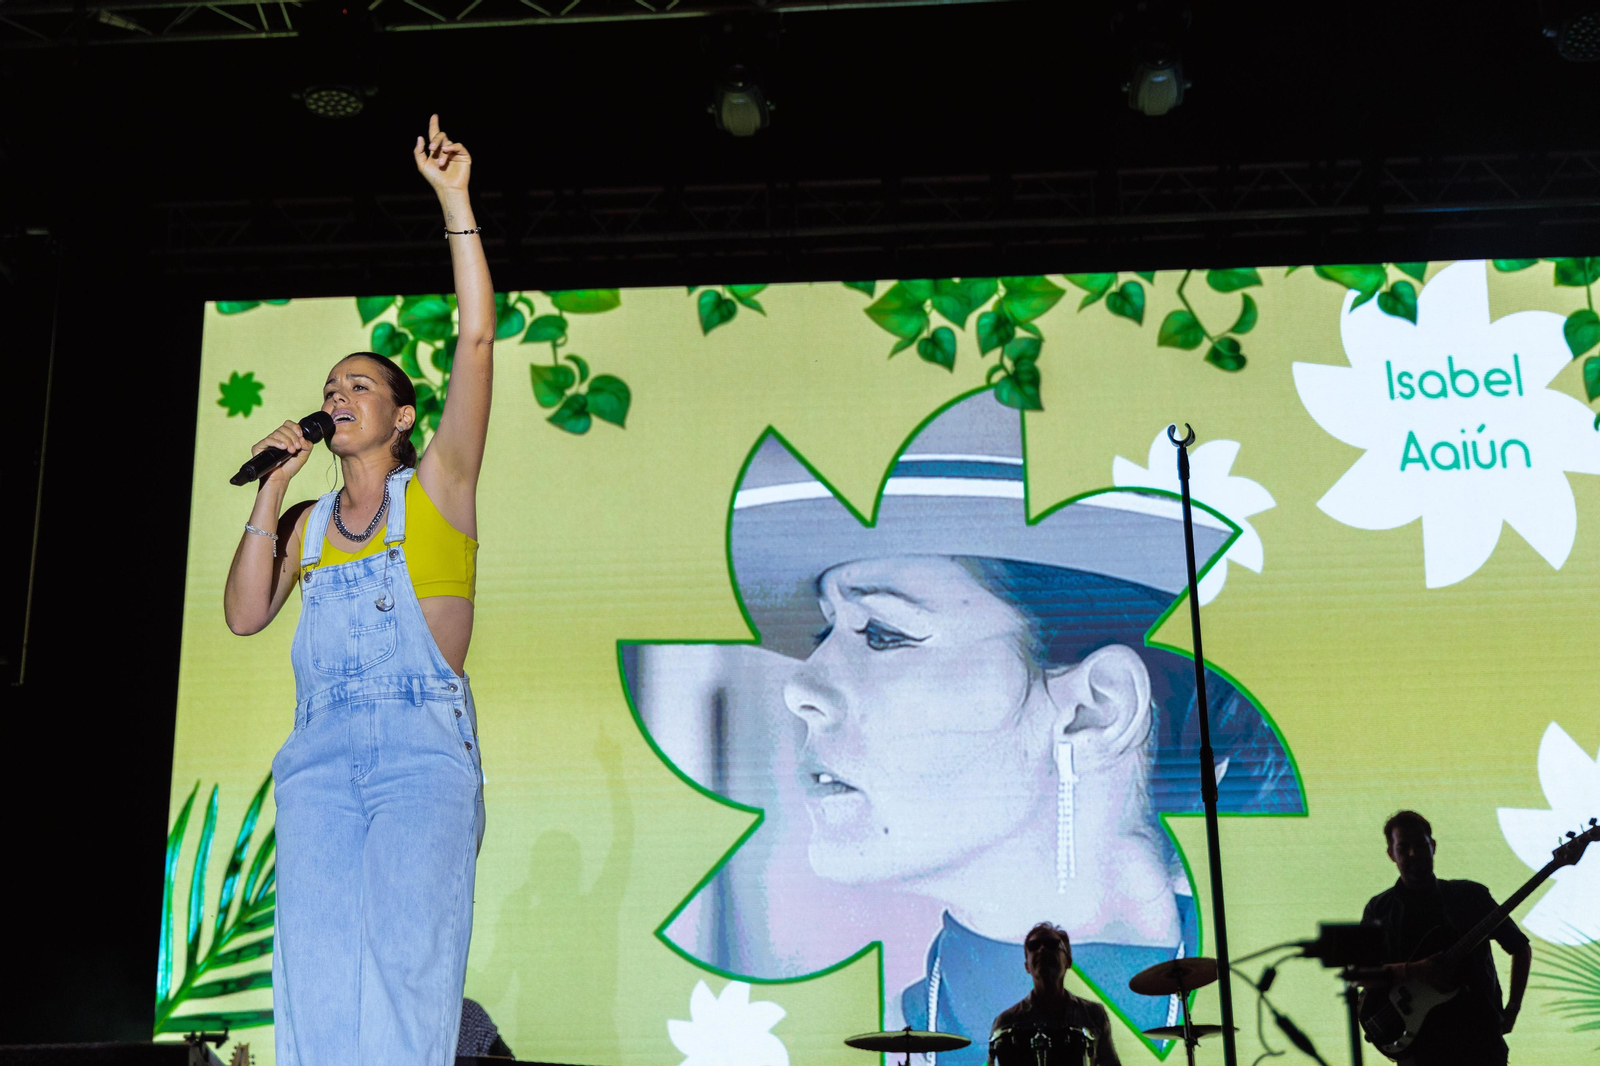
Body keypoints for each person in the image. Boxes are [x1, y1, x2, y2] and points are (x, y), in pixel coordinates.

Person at [627, 389, 1303, 1059]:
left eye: (884, 633)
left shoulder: (1260, 969)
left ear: (1094, 709)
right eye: (821, 631)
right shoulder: (923, 1018)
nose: (801, 686)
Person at [223, 114, 495, 1066]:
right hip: (319, 763)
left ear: (401, 414)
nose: (336, 398)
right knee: (315, 988)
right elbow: (245, 614)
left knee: (402, 981)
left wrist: (454, 202)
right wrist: (273, 482)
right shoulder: (302, 526)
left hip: (420, 756)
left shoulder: (441, 490)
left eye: (358, 388)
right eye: (329, 389)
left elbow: (474, 342)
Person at [1360, 810, 1532, 1066]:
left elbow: (1520, 947)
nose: (1413, 854)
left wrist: (1513, 1007)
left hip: (1480, 1040)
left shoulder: (1470, 896)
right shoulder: (1379, 909)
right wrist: (1415, 970)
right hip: (1419, 1049)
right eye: (1403, 847)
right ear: (1391, 854)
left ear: (1433, 846)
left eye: (1420, 845)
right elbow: (1362, 973)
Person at [989, 922, 1121, 1066]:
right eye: (1034, 946)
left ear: (1068, 961)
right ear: (1027, 966)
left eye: (1051, 944)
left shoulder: (1094, 1015)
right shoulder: (1006, 1022)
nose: (1042, 949)